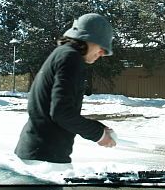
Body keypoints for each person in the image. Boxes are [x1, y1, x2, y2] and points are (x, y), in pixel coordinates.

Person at [14, 13, 117, 164]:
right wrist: (99, 134)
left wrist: (99, 128)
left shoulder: (61, 54)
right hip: (45, 159)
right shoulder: (71, 58)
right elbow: (62, 113)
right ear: (85, 38)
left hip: (36, 152)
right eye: (101, 46)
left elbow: (58, 109)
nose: (102, 53)